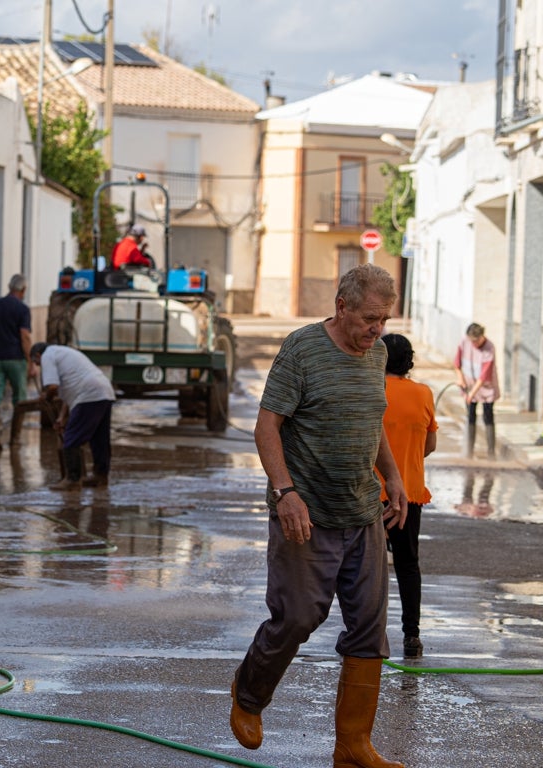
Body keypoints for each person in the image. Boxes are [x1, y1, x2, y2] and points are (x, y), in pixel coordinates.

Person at [229, 263, 408, 768]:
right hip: (305, 514)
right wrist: (284, 492)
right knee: (298, 617)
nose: (377, 329)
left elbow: (372, 419)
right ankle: (249, 694)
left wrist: (393, 476)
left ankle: (353, 746)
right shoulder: (302, 350)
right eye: (369, 318)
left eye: (384, 319)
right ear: (341, 306)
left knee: (369, 629)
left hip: (362, 511)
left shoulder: (377, 354)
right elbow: (266, 428)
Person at [379, 333, 437, 659]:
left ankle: (367, 633)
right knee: (408, 564)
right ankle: (411, 635)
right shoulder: (423, 393)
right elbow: (429, 445)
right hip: (409, 495)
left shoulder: (372, 390)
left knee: (365, 566)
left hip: (371, 492)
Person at [29, 342, 116, 491]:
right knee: (99, 438)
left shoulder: (47, 356)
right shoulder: (62, 353)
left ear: (38, 355)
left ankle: (73, 480)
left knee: (71, 437)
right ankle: (101, 476)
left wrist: (46, 397)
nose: (38, 365)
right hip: (104, 392)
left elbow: (52, 387)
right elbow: (69, 394)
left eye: (36, 362)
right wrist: (62, 417)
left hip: (88, 394)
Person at [0, 274, 33, 450]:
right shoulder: (23, 309)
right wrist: (31, 361)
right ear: (23, 290)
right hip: (15, 358)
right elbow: (24, 336)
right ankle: (15, 438)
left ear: (9, 287)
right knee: (20, 398)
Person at [454, 322, 499, 459]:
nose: (473, 344)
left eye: (476, 341)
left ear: (482, 337)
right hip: (469, 385)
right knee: (470, 415)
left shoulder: (489, 348)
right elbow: (457, 364)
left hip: (485, 387)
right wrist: (461, 379)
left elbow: (484, 376)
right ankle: (469, 452)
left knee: (488, 416)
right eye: (471, 341)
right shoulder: (465, 342)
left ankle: (491, 453)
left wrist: (472, 394)